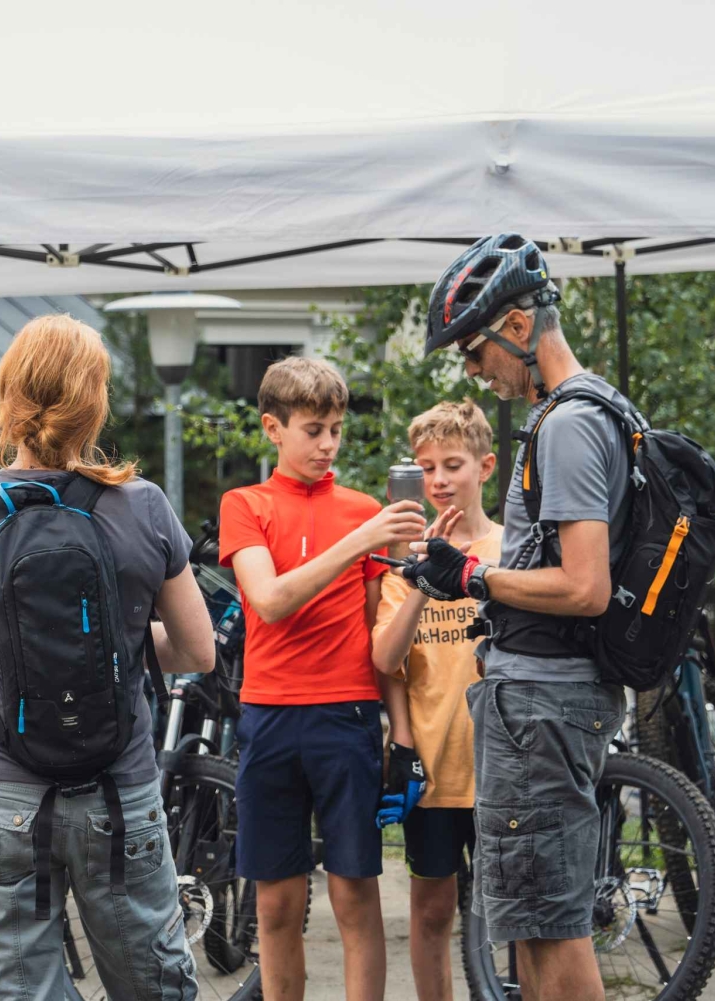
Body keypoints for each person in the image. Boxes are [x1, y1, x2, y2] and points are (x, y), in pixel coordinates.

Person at [0, 314, 217, 1000]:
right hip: (117, 794)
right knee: (153, 986)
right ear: (95, 401)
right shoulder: (144, 506)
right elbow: (197, 650)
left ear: (7, 396)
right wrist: (118, 647)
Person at [402, 234, 630, 1001]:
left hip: (541, 704)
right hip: (543, 699)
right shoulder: (596, 410)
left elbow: (585, 586)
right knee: (533, 922)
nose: (473, 370)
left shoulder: (567, 424)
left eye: (474, 350)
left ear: (521, 328)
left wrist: (474, 576)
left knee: (552, 926)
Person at [217, 356, 427, 1001]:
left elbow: (379, 642)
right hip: (271, 716)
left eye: (336, 428)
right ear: (272, 428)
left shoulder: (363, 509)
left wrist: (405, 732)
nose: (329, 443)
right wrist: (361, 541)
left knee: (355, 897)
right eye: (314, 429)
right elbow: (270, 600)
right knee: (276, 906)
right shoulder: (245, 504)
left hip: (348, 717)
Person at [370, 400, 503, 1001]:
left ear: (486, 467)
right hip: (435, 768)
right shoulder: (403, 562)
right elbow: (385, 661)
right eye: (427, 468)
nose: (440, 480)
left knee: (515, 919)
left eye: (453, 464)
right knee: (431, 913)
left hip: (504, 767)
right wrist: (422, 582)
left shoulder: (510, 550)